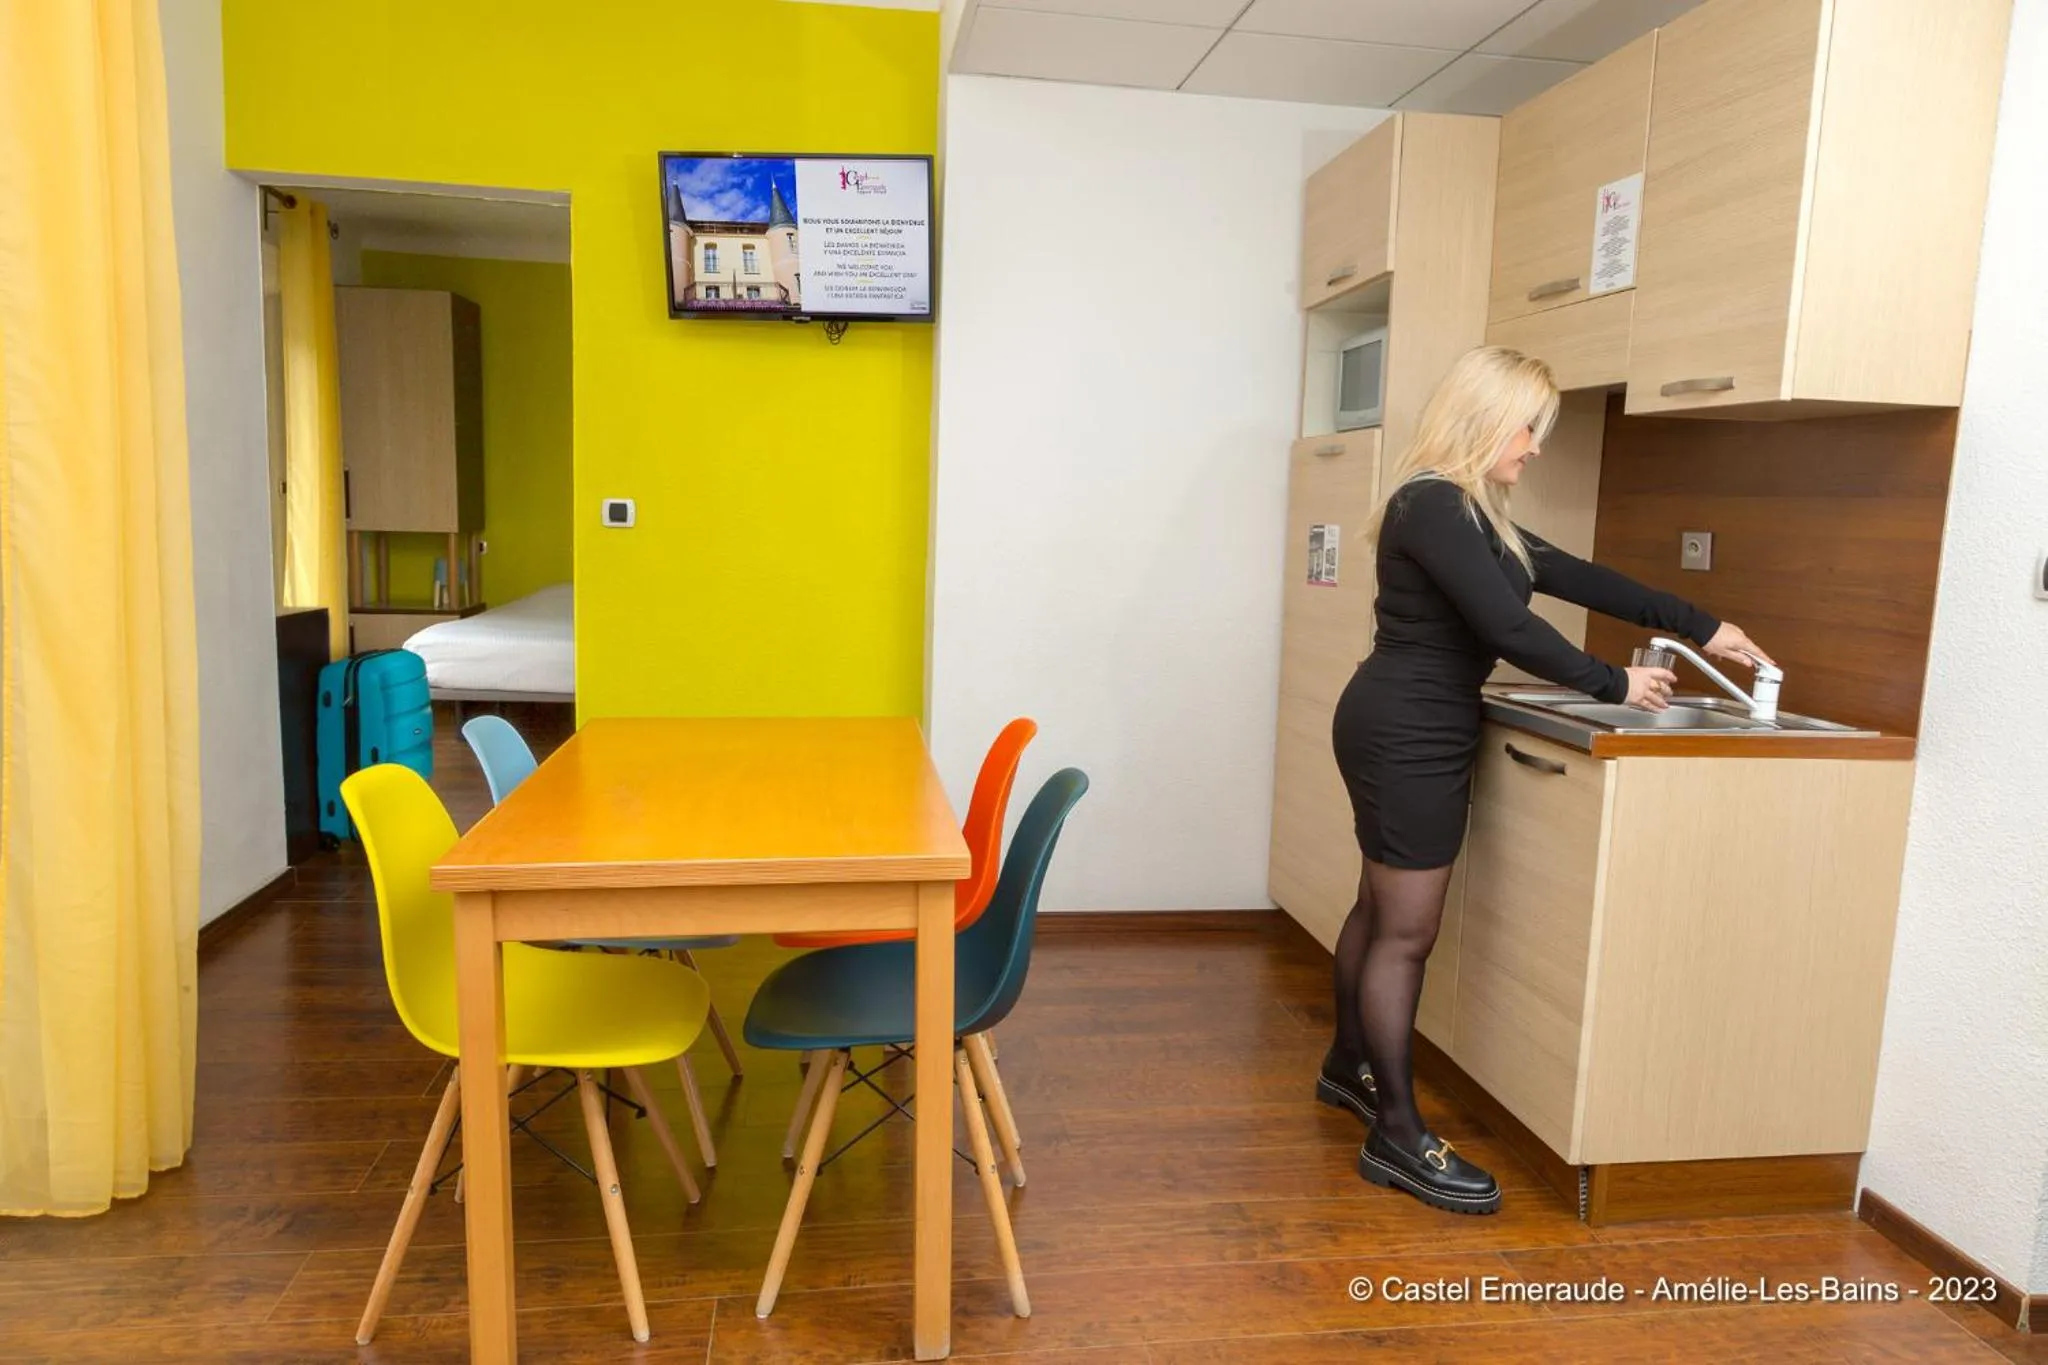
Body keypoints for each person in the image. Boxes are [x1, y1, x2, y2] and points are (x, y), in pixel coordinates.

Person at [1319, 346, 1773, 1214]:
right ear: (1487, 418)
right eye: (1530, 428)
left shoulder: (1470, 513)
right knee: (1405, 931)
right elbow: (1509, 625)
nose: (1534, 448)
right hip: (1408, 731)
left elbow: (1577, 577)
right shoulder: (1433, 503)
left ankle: (1350, 1068)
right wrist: (1615, 684)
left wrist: (1703, 623)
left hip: (1404, 721)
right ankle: (1400, 1133)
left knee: (1380, 910)